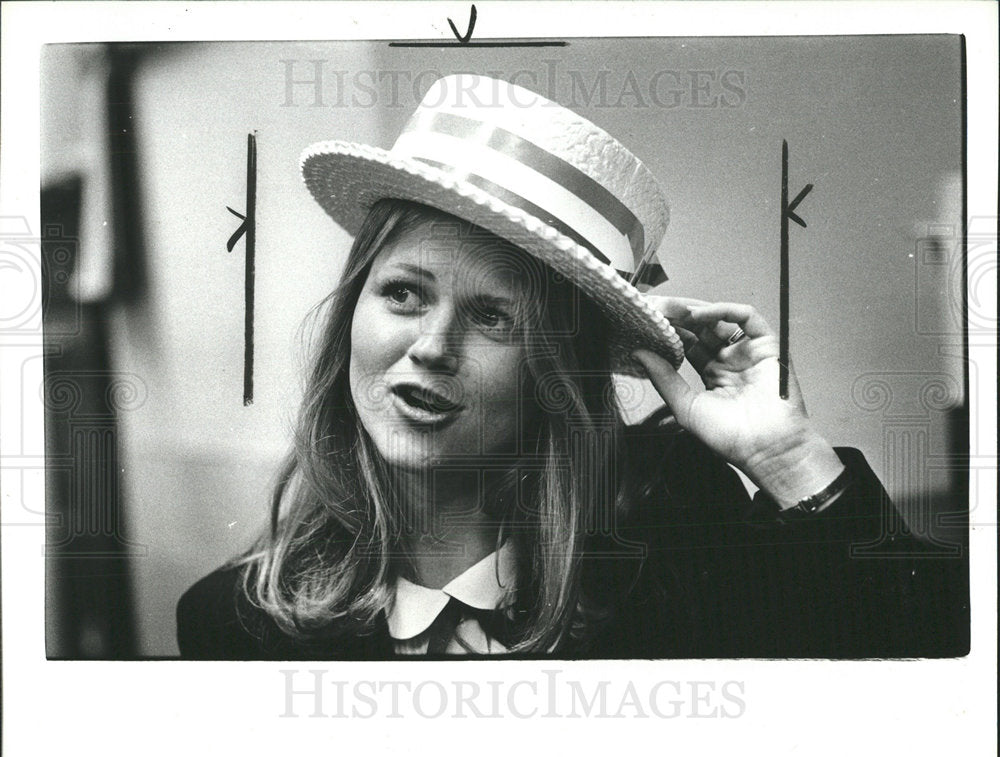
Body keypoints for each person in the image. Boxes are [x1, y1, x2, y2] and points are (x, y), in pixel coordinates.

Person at [177, 74, 967, 659]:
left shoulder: (679, 545)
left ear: (560, 372)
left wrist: (785, 457)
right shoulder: (232, 625)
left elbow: (936, 667)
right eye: (405, 294)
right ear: (354, 309)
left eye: (494, 316)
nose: (432, 348)